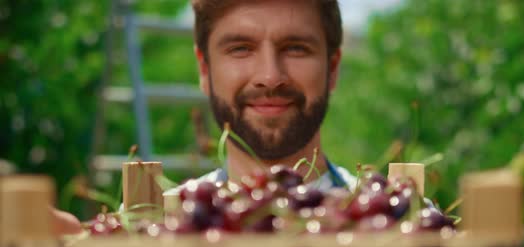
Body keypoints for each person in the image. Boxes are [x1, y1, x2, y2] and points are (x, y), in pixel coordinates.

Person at [53, 0, 354, 232]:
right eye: (240, 48)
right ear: (204, 70)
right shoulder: (157, 224)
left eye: (296, 49)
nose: (270, 76)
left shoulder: (389, 217)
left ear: (334, 69)